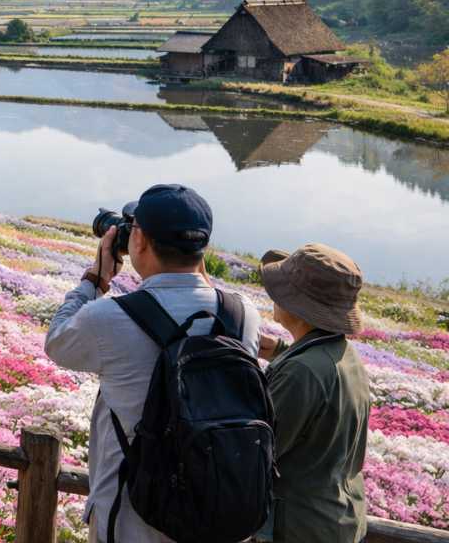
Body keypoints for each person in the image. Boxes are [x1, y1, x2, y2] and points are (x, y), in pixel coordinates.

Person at [45, 184, 261, 543]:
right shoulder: (242, 314)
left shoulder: (109, 318)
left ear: (139, 240)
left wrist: (96, 278)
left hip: (134, 516)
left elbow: (57, 342)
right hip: (215, 505)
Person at [255, 244, 370, 543]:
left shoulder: (302, 373)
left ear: (297, 305)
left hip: (298, 528)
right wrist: (281, 351)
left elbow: (259, 453)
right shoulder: (344, 354)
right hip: (336, 518)